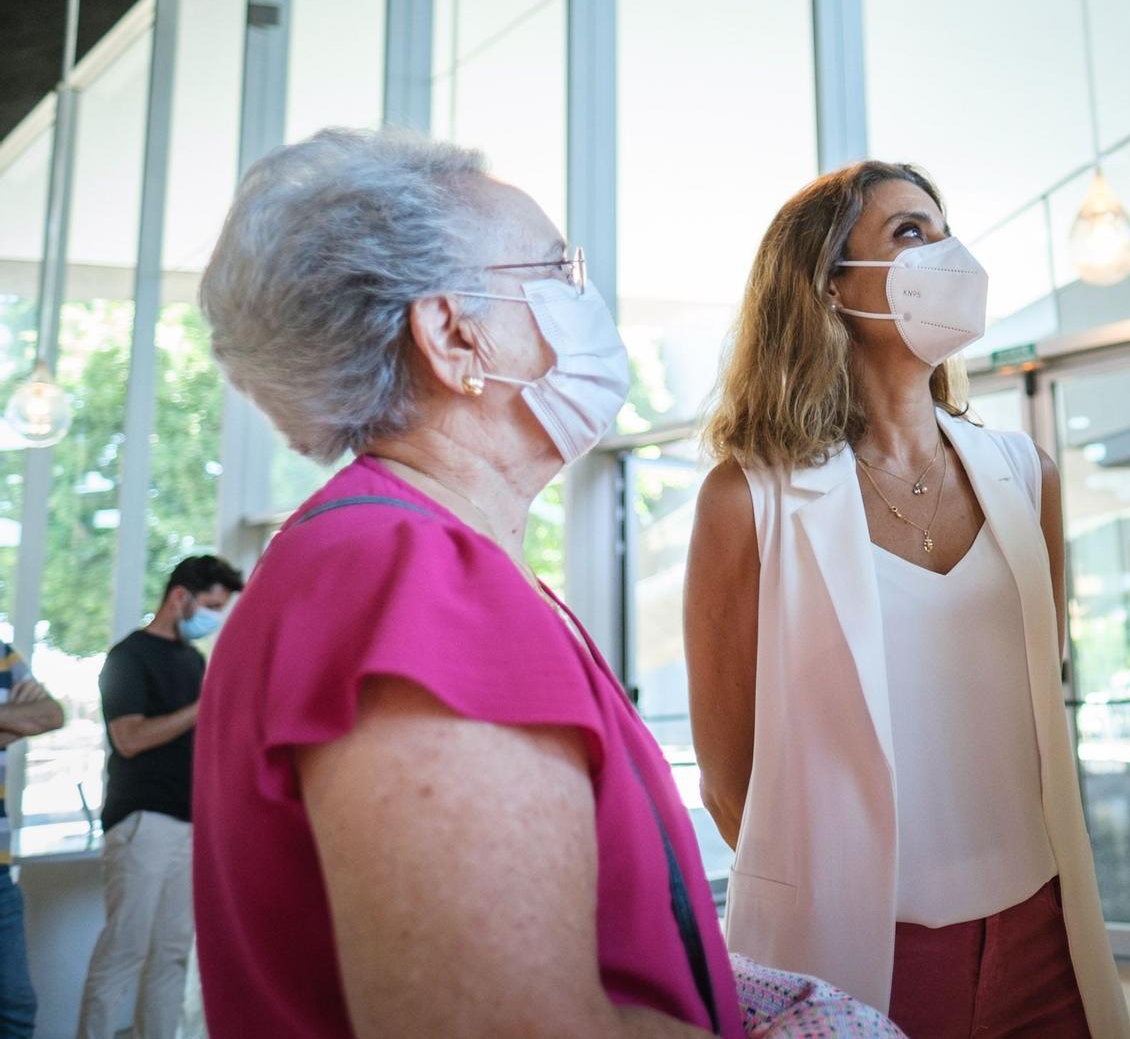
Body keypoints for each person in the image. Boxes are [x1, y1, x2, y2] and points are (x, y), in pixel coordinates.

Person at [191, 128, 742, 1037]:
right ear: (452, 336)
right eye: (559, 272)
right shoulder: (413, 581)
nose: (587, 300)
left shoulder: (380, 556)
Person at [685, 161, 1130, 1039]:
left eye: (944, 228)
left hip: (1044, 935)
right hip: (859, 956)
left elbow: (1042, 705)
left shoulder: (1024, 476)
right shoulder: (749, 501)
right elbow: (731, 780)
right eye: (910, 234)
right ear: (829, 289)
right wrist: (835, 892)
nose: (947, 254)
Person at [76, 553, 242, 1039]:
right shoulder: (127, 657)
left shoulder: (193, 660)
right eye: (210, 605)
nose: (214, 617)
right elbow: (129, 738)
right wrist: (201, 706)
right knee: (123, 952)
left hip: (190, 824)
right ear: (179, 597)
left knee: (172, 955)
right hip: (142, 822)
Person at [0, 642, 65, 1038]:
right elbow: (33, 718)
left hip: (0, 869)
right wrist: (13, 718)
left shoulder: (2, 653)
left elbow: (53, 714)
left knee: (17, 1007)